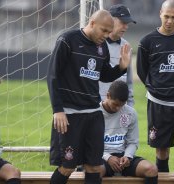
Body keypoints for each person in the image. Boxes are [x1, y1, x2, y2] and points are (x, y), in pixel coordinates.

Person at [47, 10, 131, 184]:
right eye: (104, 30)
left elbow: (103, 74)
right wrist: (58, 110)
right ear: (92, 23)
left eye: (109, 32)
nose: (106, 35)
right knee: (67, 166)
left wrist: (121, 68)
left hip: (94, 114)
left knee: (94, 166)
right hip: (70, 115)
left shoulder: (102, 47)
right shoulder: (67, 40)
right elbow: (52, 76)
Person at [136, 0, 174, 172]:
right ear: (160, 14)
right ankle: (163, 177)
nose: (169, 21)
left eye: (173, 17)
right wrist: (156, 89)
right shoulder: (147, 41)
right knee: (162, 148)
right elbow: (142, 71)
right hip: (158, 103)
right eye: (166, 16)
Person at [100, 80, 158, 184]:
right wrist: (108, 157)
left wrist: (127, 156)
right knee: (95, 171)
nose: (118, 108)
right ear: (108, 96)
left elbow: (133, 142)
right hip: (101, 157)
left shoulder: (130, 113)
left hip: (122, 157)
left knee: (151, 169)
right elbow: (89, 145)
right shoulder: (95, 113)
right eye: (115, 104)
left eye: (121, 105)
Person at [99, 4, 136, 107]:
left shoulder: (126, 47)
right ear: (111, 20)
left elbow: (129, 83)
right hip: (98, 107)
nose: (126, 27)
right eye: (123, 22)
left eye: (127, 23)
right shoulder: (96, 44)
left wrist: (130, 107)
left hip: (119, 108)